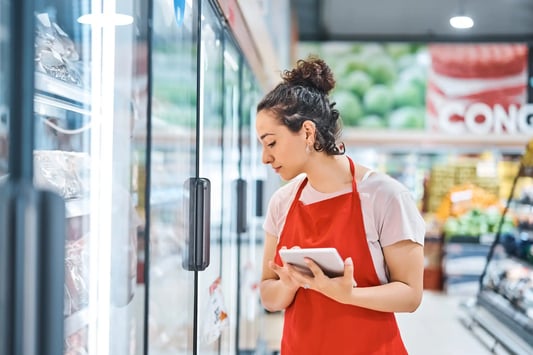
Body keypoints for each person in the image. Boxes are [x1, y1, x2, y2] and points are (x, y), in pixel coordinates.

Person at [256, 56, 426, 354]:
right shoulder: (282, 202)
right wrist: (289, 284)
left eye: (271, 143)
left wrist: (349, 295)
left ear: (307, 133)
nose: (265, 157)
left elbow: (410, 295)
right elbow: (269, 295)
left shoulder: (385, 196)